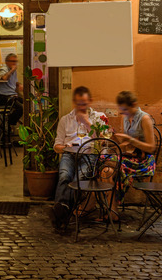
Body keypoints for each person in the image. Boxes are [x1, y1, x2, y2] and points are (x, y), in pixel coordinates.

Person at [48, 86, 109, 231]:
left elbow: (103, 141)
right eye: (79, 103)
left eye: (84, 103)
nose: (81, 107)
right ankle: (63, 212)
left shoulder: (98, 118)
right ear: (74, 102)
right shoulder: (65, 120)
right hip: (70, 154)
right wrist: (66, 147)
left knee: (78, 179)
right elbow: (57, 146)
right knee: (64, 176)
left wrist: (88, 123)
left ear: (90, 102)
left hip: (89, 155)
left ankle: (60, 212)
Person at [111, 91, 157, 214]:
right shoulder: (125, 118)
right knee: (104, 165)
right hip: (130, 157)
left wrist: (131, 140)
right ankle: (111, 207)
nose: (124, 113)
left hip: (144, 161)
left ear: (134, 104)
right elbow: (126, 144)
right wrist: (114, 138)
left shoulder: (145, 118)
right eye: (122, 110)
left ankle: (112, 207)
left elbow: (151, 148)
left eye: (125, 109)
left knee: (111, 165)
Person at [0, 53, 23, 130]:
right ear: (7, 62)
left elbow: (15, 82)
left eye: (15, 61)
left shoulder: (13, 71)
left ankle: (8, 124)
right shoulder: (4, 69)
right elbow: (3, 78)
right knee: (20, 108)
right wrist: (11, 71)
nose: (14, 63)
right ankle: (6, 125)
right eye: (12, 61)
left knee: (27, 103)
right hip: (4, 96)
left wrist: (20, 85)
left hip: (12, 95)